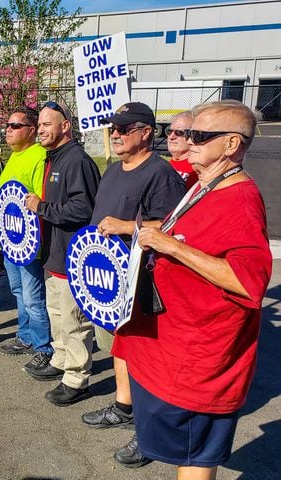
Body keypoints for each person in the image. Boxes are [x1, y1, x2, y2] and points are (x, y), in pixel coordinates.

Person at [114, 100, 272, 480]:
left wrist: (172, 246)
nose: (187, 141)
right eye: (185, 133)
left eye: (199, 136)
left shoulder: (241, 199)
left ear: (232, 143)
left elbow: (249, 282)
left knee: (197, 458)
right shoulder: (203, 185)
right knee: (184, 450)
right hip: (172, 346)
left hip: (202, 358)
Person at [81, 102, 186, 467]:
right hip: (107, 282)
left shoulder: (161, 173)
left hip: (142, 284)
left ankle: (148, 434)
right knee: (120, 349)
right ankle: (125, 407)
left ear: (146, 133)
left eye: (125, 129)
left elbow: (176, 229)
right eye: (114, 128)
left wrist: (127, 228)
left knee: (144, 359)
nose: (116, 134)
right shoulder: (112, 170)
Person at [23, 101, 100, 405]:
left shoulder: (76, 160)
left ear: (65, 126)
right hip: (54, 254)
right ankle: (61, 359)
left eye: (46, 124)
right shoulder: (53, 158)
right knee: (57, 314)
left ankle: (77, 378)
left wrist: (41, 207)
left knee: (73, 320)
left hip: (71, 256)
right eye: (39, 124)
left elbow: (83, 208)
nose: (40, 129)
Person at [0, 107, 52, 364]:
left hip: (29, 242)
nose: (9, 129)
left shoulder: (39, 156)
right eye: (8, 125)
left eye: (16, 125)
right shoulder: (14, 157)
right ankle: (25, 335)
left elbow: (41, 201)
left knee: (32, 297)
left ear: (32, 130)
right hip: (10, 241)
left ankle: (43, 347)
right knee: (19, 291)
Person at [166, 111, 198, 189]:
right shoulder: (163, 165)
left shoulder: (198, 169)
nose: (171, 137)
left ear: (192, 135)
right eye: (169, 132)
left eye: (179, 132)